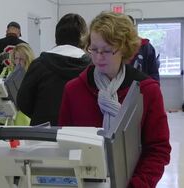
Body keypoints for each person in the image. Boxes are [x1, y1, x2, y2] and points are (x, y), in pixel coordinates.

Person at [58, 11, 171, 187]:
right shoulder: (74, 90)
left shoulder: (146, 91)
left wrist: (137, 185)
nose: (98, 57)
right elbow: (65, 146)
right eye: (93, 49)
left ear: (124, 48)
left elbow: (158, 150)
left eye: (107, 50)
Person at [17, 13, 91, 126]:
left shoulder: (38, 65)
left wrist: (42, 114)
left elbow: (23, 102)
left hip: (42, 134)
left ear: (57, 36)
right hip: (80, 135)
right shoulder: (92, 67)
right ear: (84, 38)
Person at [0, 43, 35, 126]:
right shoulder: (7, 71)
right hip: (5, 118)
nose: (18, 62)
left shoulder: (33, 72)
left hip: (24, 119)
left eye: (21, 59)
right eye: (16, 58)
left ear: (28, 58)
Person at [127, 15, 160, 81]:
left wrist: (153, 89)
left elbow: (154, 74)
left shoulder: (146, 47)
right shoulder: (114, 47)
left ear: (133, 28)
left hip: (142, 88)